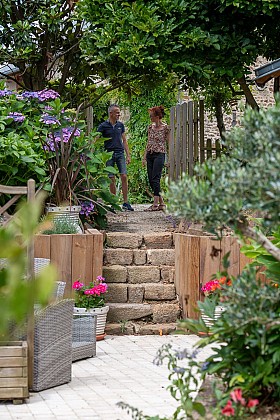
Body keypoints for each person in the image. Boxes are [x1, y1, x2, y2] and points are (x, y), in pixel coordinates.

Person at [98, 104, 134, 211]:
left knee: (124, 176)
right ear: (111, 113)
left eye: (119, 112)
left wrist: (128, 155)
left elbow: (124, 140)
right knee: (111, 178)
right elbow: (96, 139)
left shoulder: (120, 125)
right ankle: (113, 203)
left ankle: (126, 202)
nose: (119, 114)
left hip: (120, 153)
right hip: (108, 154)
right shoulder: (103, 126)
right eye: (117, 112)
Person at [142, 105, 170, 211]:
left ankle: (155, 204)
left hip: (160, 154)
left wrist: (169, 158)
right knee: (151, 179)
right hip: (150, 154)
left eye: (151, 116)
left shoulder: (165, 128)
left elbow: (169, 143)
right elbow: (148, 142)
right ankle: (162, 203)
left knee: (155, 178)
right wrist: (144, 157)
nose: (150, 118)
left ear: (157, 116)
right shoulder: (150, 127)